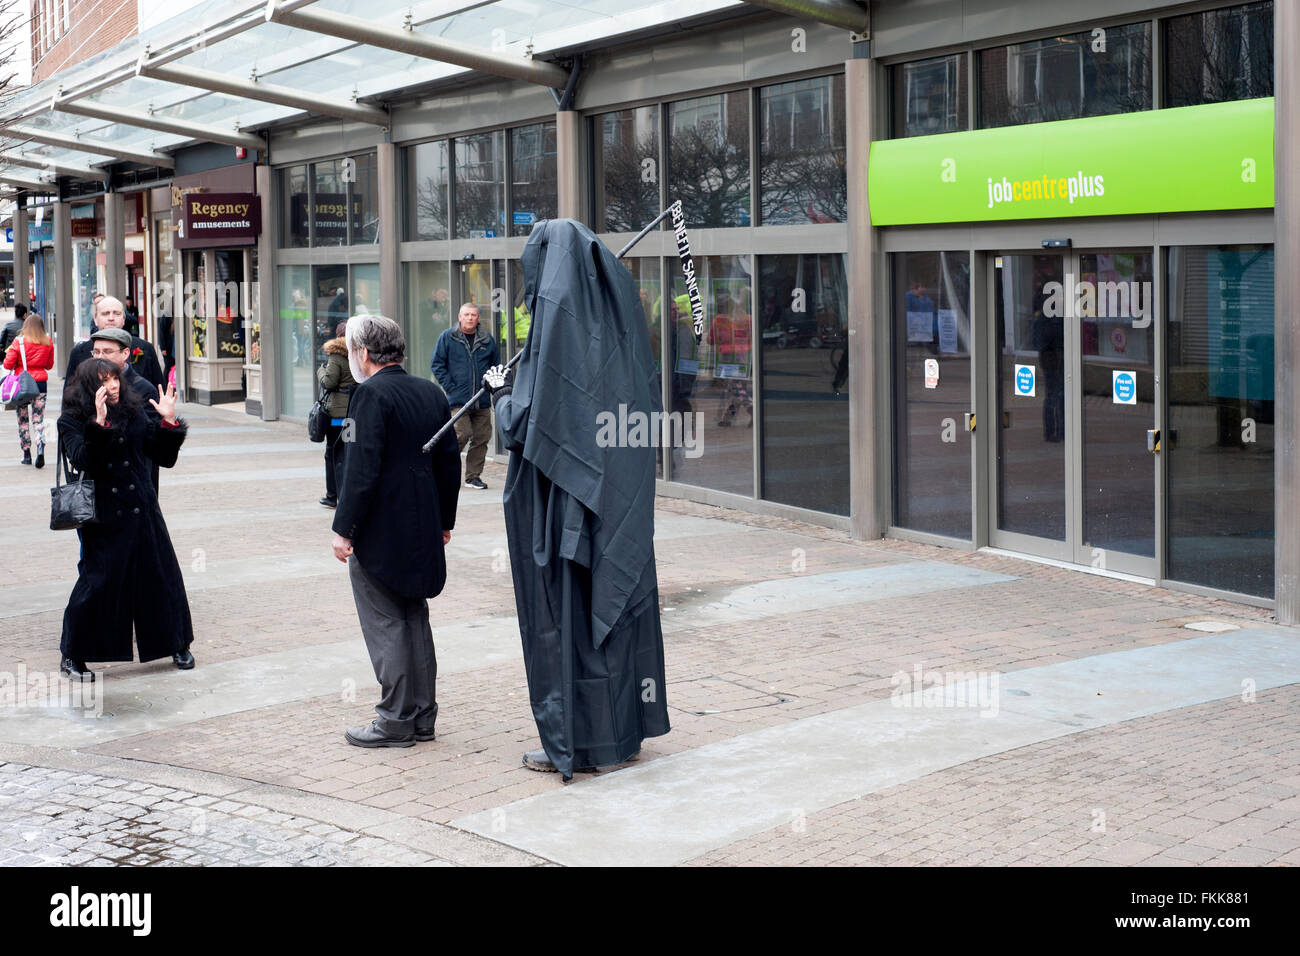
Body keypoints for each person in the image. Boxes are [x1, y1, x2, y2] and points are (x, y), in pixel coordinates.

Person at [484, 218, 670, 780]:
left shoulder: (556, 331)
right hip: (615, 505)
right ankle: (622, 733)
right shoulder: (619, 323)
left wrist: (498, 395)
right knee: (612, 617)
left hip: (567, 510)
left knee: (567, 622)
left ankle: (579, 740)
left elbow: (533, 427)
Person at [331, 315, 461, 748]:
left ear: (364, 354)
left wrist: (343, 530)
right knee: (413, 619)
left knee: (388, 623)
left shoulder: (369, 395)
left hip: (381, 529)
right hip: (422, 524)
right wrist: (444, 520)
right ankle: (422, 716)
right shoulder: (431, 391)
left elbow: (359, 469)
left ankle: (395, 720)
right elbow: (449, 462)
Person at [57, 359, 195, 682]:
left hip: (142, 508)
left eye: (116, 379)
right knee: (98, 584)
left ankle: (177, 644)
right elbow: (82, 459)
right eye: (105, 381)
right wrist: (100, 425)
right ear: (91, 387)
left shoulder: (133, 409)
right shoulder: (71, 420)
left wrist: (169, 422)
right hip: (104, 516)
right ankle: (73, 653)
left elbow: (161, 455)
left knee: (162, 579)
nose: (114, 386)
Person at [431, 303, 499, 490]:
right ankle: (444, 470)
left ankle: (473, 477)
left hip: (482, 398)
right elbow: (437, 364)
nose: (470, 318)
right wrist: (450, 386)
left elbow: (496, 365)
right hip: (458, 400)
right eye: (466, 315)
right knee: (461, 434)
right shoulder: (448, 337)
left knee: (482, 437)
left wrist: (490, 386)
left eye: (473, 315)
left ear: (478, 318)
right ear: (460, 317)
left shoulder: (487, 339)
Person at [91, 327, 163, 492]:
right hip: (99, 485)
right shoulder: (85, 386)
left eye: (107, 351)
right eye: (96, 352)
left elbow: (154, 445)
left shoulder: (143, 388)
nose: (100, 357)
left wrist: (169, 423)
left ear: (125, 354)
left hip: (133, 484)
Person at [66, 295, 164, 389]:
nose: (111, 318)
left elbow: (159, 390)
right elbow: (69, 397)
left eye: (117, 313)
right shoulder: (79, 352)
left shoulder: (145, 348)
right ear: (95, 319)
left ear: (124, 319)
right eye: (105, 313)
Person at [3, 312, 55, 467]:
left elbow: (7, 364)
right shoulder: (48, 342)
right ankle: (40, 445)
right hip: (40, 384)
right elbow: (49, 365)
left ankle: (26, 454)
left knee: (23, 419)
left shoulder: (18, 342)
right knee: (38, 418)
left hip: (22, 385)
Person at [316, 327, 357, 508]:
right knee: (349, 453)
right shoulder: (358, 355)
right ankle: (349, 495)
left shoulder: (336, 356)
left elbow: (328, 382)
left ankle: (333, 496)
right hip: (352, 413)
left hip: (336, 416)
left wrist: (320, 371)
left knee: (332, 453)